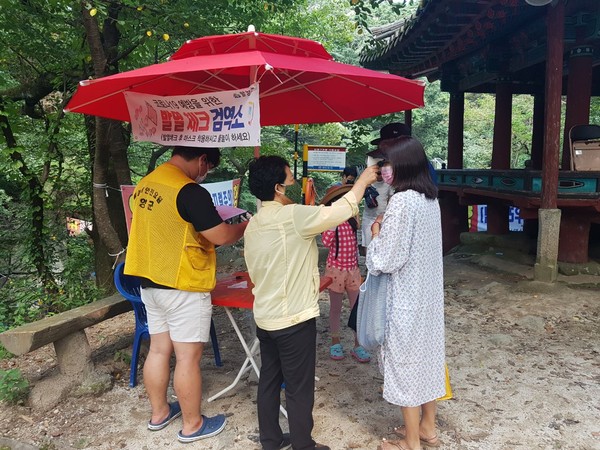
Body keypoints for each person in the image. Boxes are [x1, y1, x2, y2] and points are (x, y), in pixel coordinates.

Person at [244, 156, 378, 450]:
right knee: (298, 388)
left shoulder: (253, 224)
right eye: (290, 180)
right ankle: (303, 445)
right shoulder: (292, 218)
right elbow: (339, 210)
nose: (293, 185)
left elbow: (257, 272)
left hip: (265, 318)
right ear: (278, 187)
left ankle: (271, 440)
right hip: (293, 320)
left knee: (268, 380)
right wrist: (363, 181)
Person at [124, 146, 248, 443]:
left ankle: (159, 413)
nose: (204, 175)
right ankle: (193, 425)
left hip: (149, 283)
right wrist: (244, 225)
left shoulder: (146, 183)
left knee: (158, 350)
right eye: (208, 169)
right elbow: (220, 235)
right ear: (203, 160)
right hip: (182, 284)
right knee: (187, 358)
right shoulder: (189, 191)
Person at [366, 137, 445, 450]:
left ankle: (411, 443)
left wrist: (375, 235)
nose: (384, 170)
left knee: (405, 365)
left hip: (406, 299)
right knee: (426, 360)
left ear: (402, 166)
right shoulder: (430, 198)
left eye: (387, 164)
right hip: (427, 298)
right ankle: (428, 427)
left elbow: (387, 260)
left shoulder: (401, 201)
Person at [320, 185, 371, 363]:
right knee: (335, 308)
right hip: (335, 270)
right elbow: (326, 242)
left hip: (352, 270)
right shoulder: (330, 222)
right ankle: (335, 342)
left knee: (357, 308)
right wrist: (333, 221)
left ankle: (358, 345)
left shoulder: (351, 219)